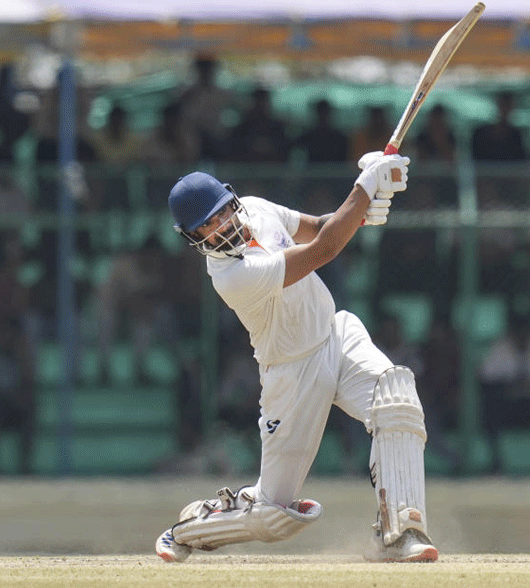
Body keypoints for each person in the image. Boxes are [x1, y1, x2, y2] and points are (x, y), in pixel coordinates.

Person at [155, 150, 440, 563]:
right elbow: (322, 251)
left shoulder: (257, 208)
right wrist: (365, 187)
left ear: (232, 201)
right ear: (193, 237)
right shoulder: (231, 276)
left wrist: (363, 211)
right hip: (292, 372)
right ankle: (191, 529)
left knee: (398, 403)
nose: (220, 228)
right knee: (275, 515)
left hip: (335, 335)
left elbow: (320, 228)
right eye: (207, 228)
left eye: (220, 215)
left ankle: (401, 532)